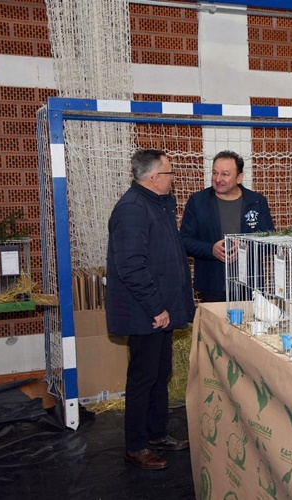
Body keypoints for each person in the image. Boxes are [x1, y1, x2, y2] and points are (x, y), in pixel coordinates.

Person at [105, 149, 195, 470]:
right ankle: (136, 446)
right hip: (145, 313)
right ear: (155, 177)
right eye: (170, 173)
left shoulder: (157, 204)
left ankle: (156, 434)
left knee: (160, 372)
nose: (173, 178)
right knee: (143, 378)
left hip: (160, 311)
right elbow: (131, 267)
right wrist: (157, 308)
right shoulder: (132, 209)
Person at [180, 150, 275, 303]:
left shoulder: (257, 201)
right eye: (215, 173)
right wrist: (211, 250)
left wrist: (246, 246)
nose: (218, 179)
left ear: (239, 178)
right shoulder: (197, 201)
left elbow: (270, 241)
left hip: (249, 286)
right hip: (212, 286)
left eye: (225, 174)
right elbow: (184, 241)